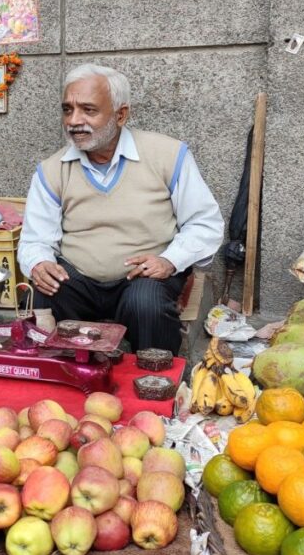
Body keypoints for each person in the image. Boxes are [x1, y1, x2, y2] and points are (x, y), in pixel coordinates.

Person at [18, 64, 224, 354]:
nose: (74, 121)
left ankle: (156, 383)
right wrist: (39, 263)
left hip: (143, 278)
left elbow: (205, 223)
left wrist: (169, 260)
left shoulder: (168, 154)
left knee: (146, 302)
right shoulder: (52, 170)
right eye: (67, 110)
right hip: (80, 279)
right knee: (49, 287)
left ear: (121, 114)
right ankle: (63, 377)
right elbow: (34, 239)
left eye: (88, 110)